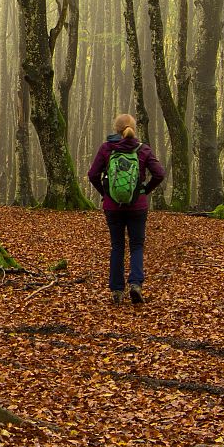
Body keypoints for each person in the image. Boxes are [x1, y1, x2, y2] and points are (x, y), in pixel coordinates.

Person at [87, 113, 166, 304]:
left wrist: (105, 193)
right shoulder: (142, 149)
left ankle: (116, 290)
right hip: (137, 206)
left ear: (116, 129)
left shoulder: (107, 149)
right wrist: (144, 190)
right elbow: (159, 174)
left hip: (112, 207)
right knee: (136, 245)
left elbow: (92, 174)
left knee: (117, 246)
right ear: (133, 129)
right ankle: (136, 284)